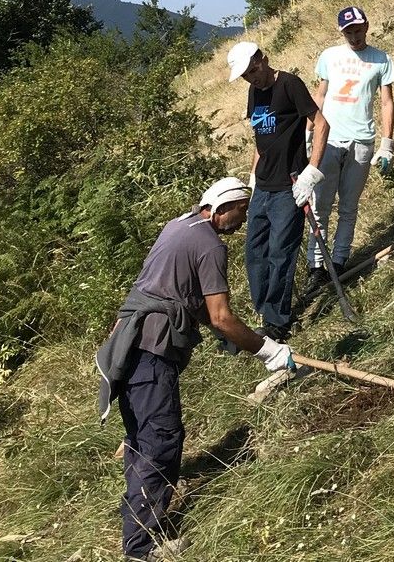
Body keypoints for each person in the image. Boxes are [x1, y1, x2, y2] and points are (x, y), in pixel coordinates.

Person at [95, 177, 294, 562]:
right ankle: (140, 549)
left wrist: (229, 333)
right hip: (151, 350)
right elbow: (220, 316)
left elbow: (190, 299)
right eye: (241, 210)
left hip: (130, 343)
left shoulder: (178, 226)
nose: (244, 220)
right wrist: (267, 349)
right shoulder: (210, 244)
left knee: (141, 438)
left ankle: (137, 527)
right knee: (161, 442)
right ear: (222, 208)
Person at [227, 41, 329, 341]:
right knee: (255, 254)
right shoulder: (253, 92)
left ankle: (277, 323)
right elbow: (260, 137)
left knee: (280, 254)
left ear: (264, 58)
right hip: (263, 187)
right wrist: (252, 177)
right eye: (245, 75)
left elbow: (320, 122)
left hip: (289, 185)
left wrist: (313, 169)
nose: (252, 77)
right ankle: (266, 310)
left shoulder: (289, 84)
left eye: (253, 69)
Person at [304, 6, 394, 291]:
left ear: (366, 26)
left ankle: (340, 261)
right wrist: (309, 133)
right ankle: (316, 266)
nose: (354, 36)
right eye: (348, 32)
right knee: (319, 205)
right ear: (340, 31)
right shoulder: (330, 56)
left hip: (361, 142)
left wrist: (387, 144)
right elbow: (320, 95)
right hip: (329, 140)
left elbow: (386, 102)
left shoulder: (381, 60)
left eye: (358, 30)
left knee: (348, 207)